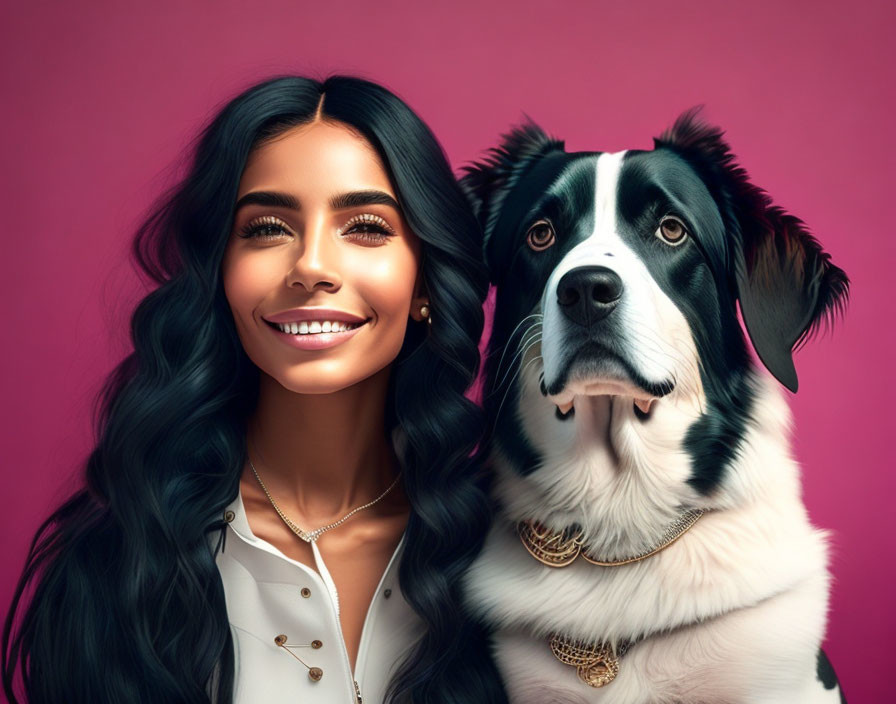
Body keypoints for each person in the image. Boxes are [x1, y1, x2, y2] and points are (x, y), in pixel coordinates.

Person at [2, 75, 507, 704]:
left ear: (426, 284)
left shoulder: (509, 555)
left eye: (367, 228)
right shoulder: (119, 566)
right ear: (219, 273)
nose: (312, 267)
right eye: (267, 227)